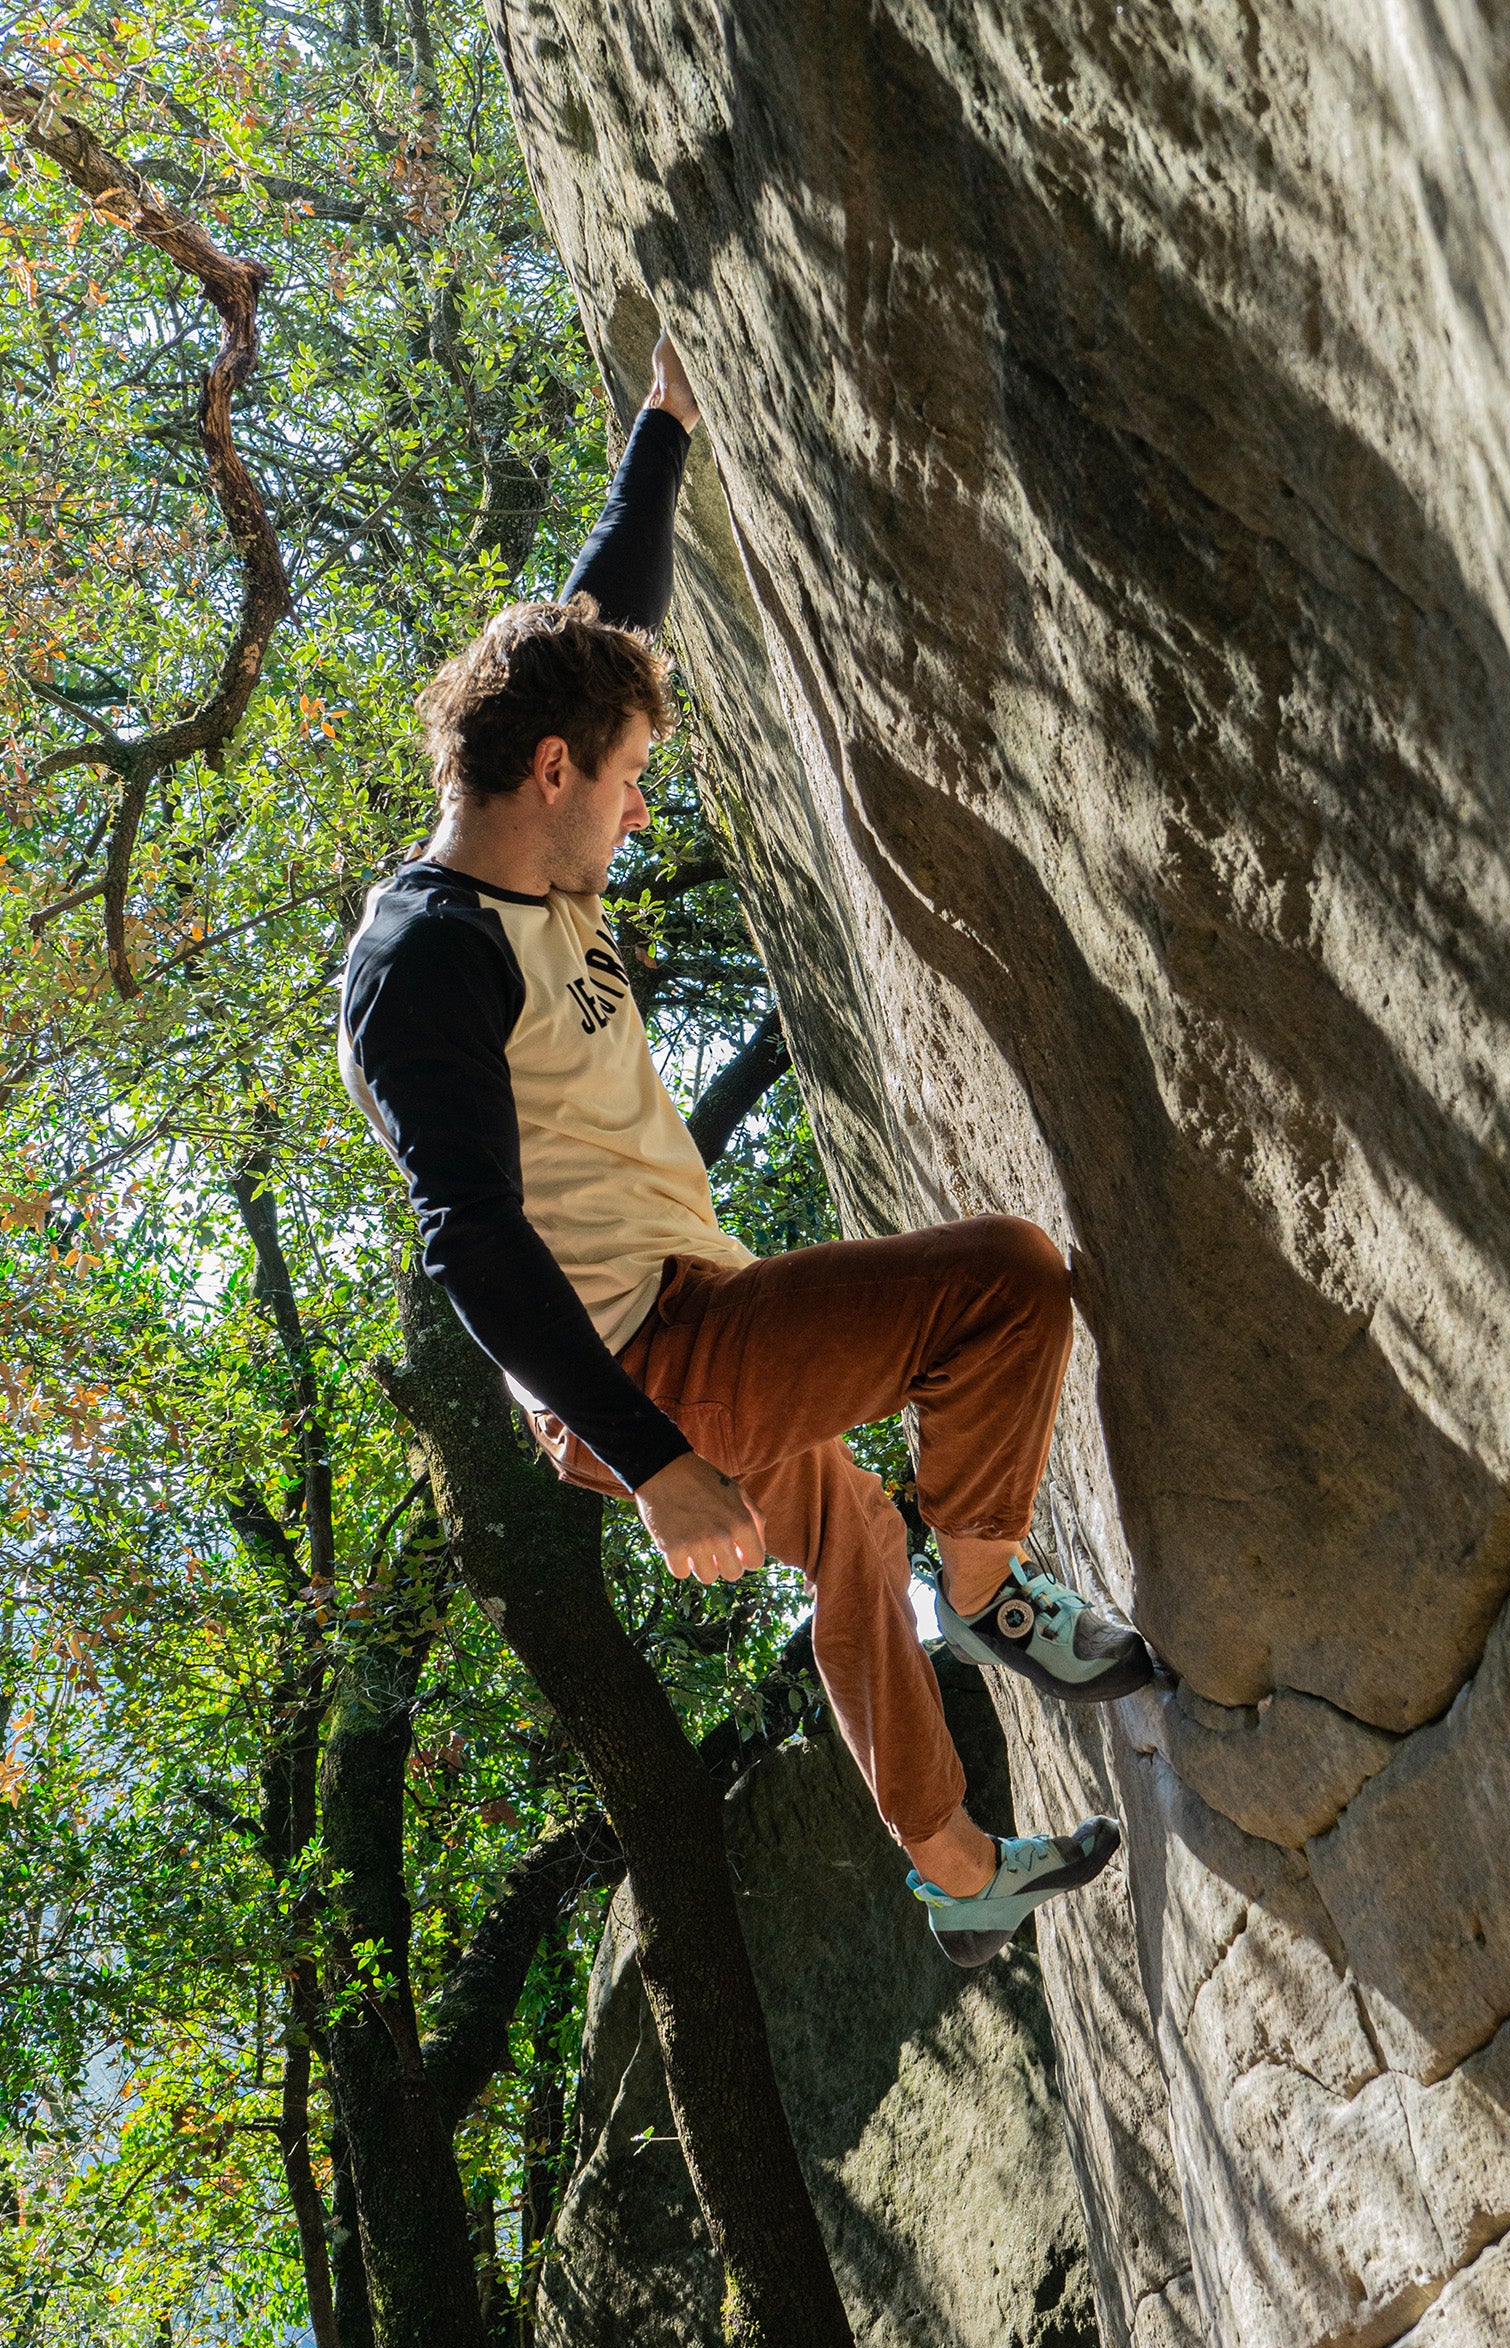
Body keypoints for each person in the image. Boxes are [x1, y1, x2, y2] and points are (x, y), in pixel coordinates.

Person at [339, 334, 1153, 1969]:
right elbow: (468, 1237)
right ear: (552, 771)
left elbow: (609, 613)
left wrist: (662, 428)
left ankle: (958, 1872)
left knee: (850, 1532)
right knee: (1005, 1282)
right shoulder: (428, 958)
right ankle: (990, 1592)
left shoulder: (531, 855)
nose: (640, 813)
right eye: (631, 781)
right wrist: (654, 1459)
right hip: (645, 1357)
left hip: (673, 1328)